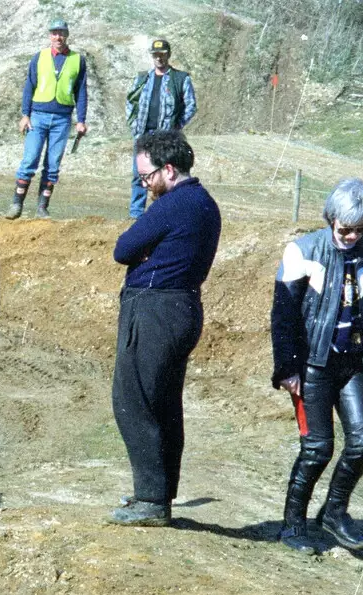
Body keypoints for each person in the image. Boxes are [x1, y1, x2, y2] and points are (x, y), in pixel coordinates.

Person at [270, 178, 363, 552]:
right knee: (318, 447)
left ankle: (334, 512)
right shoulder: (302, 251)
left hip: (352, 364)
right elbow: (284, 317)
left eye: (360, 229)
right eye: (345, 229)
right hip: (312, 366)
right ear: (330, 219)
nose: (353, 236)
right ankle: (292, 526)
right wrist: (287, 367)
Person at [108, 129, 222, 526]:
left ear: (168, 170)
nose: (145, 184)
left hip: (155, 308)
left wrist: (146, 250)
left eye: (147, 176)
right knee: (166, 405)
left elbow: (123, 250)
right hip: (186, 306)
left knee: (133, 400)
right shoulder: (207, 204)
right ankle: (159, 492)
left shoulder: (171, 206)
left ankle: (151, 499)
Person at [3, 19, 89, 221]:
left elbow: (81, 92)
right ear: (49, 35)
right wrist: (25, 114)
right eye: (54, 33)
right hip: (38, 116)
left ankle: (42, 207)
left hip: (62, 118)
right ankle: (16, 204)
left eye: (61, 33)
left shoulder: (78, 59)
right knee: (29, 160)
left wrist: (81, 120)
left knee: (52, 165)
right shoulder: (39, 57)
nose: (58, 37)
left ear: (67, 35)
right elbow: (29, 86)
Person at [125, 38, 197, 219]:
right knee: (139, 175)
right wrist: (134, 125)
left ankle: (163, 213)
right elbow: (130, 102)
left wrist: (176, 127)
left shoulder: (180, 79)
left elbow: (191, 105)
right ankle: (136, 214)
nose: (159, 58)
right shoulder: (143, 78)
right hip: (143, 134)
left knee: (165, 175)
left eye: (162, 54)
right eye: (156, 55)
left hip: (165, 137)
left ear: (168, 55)